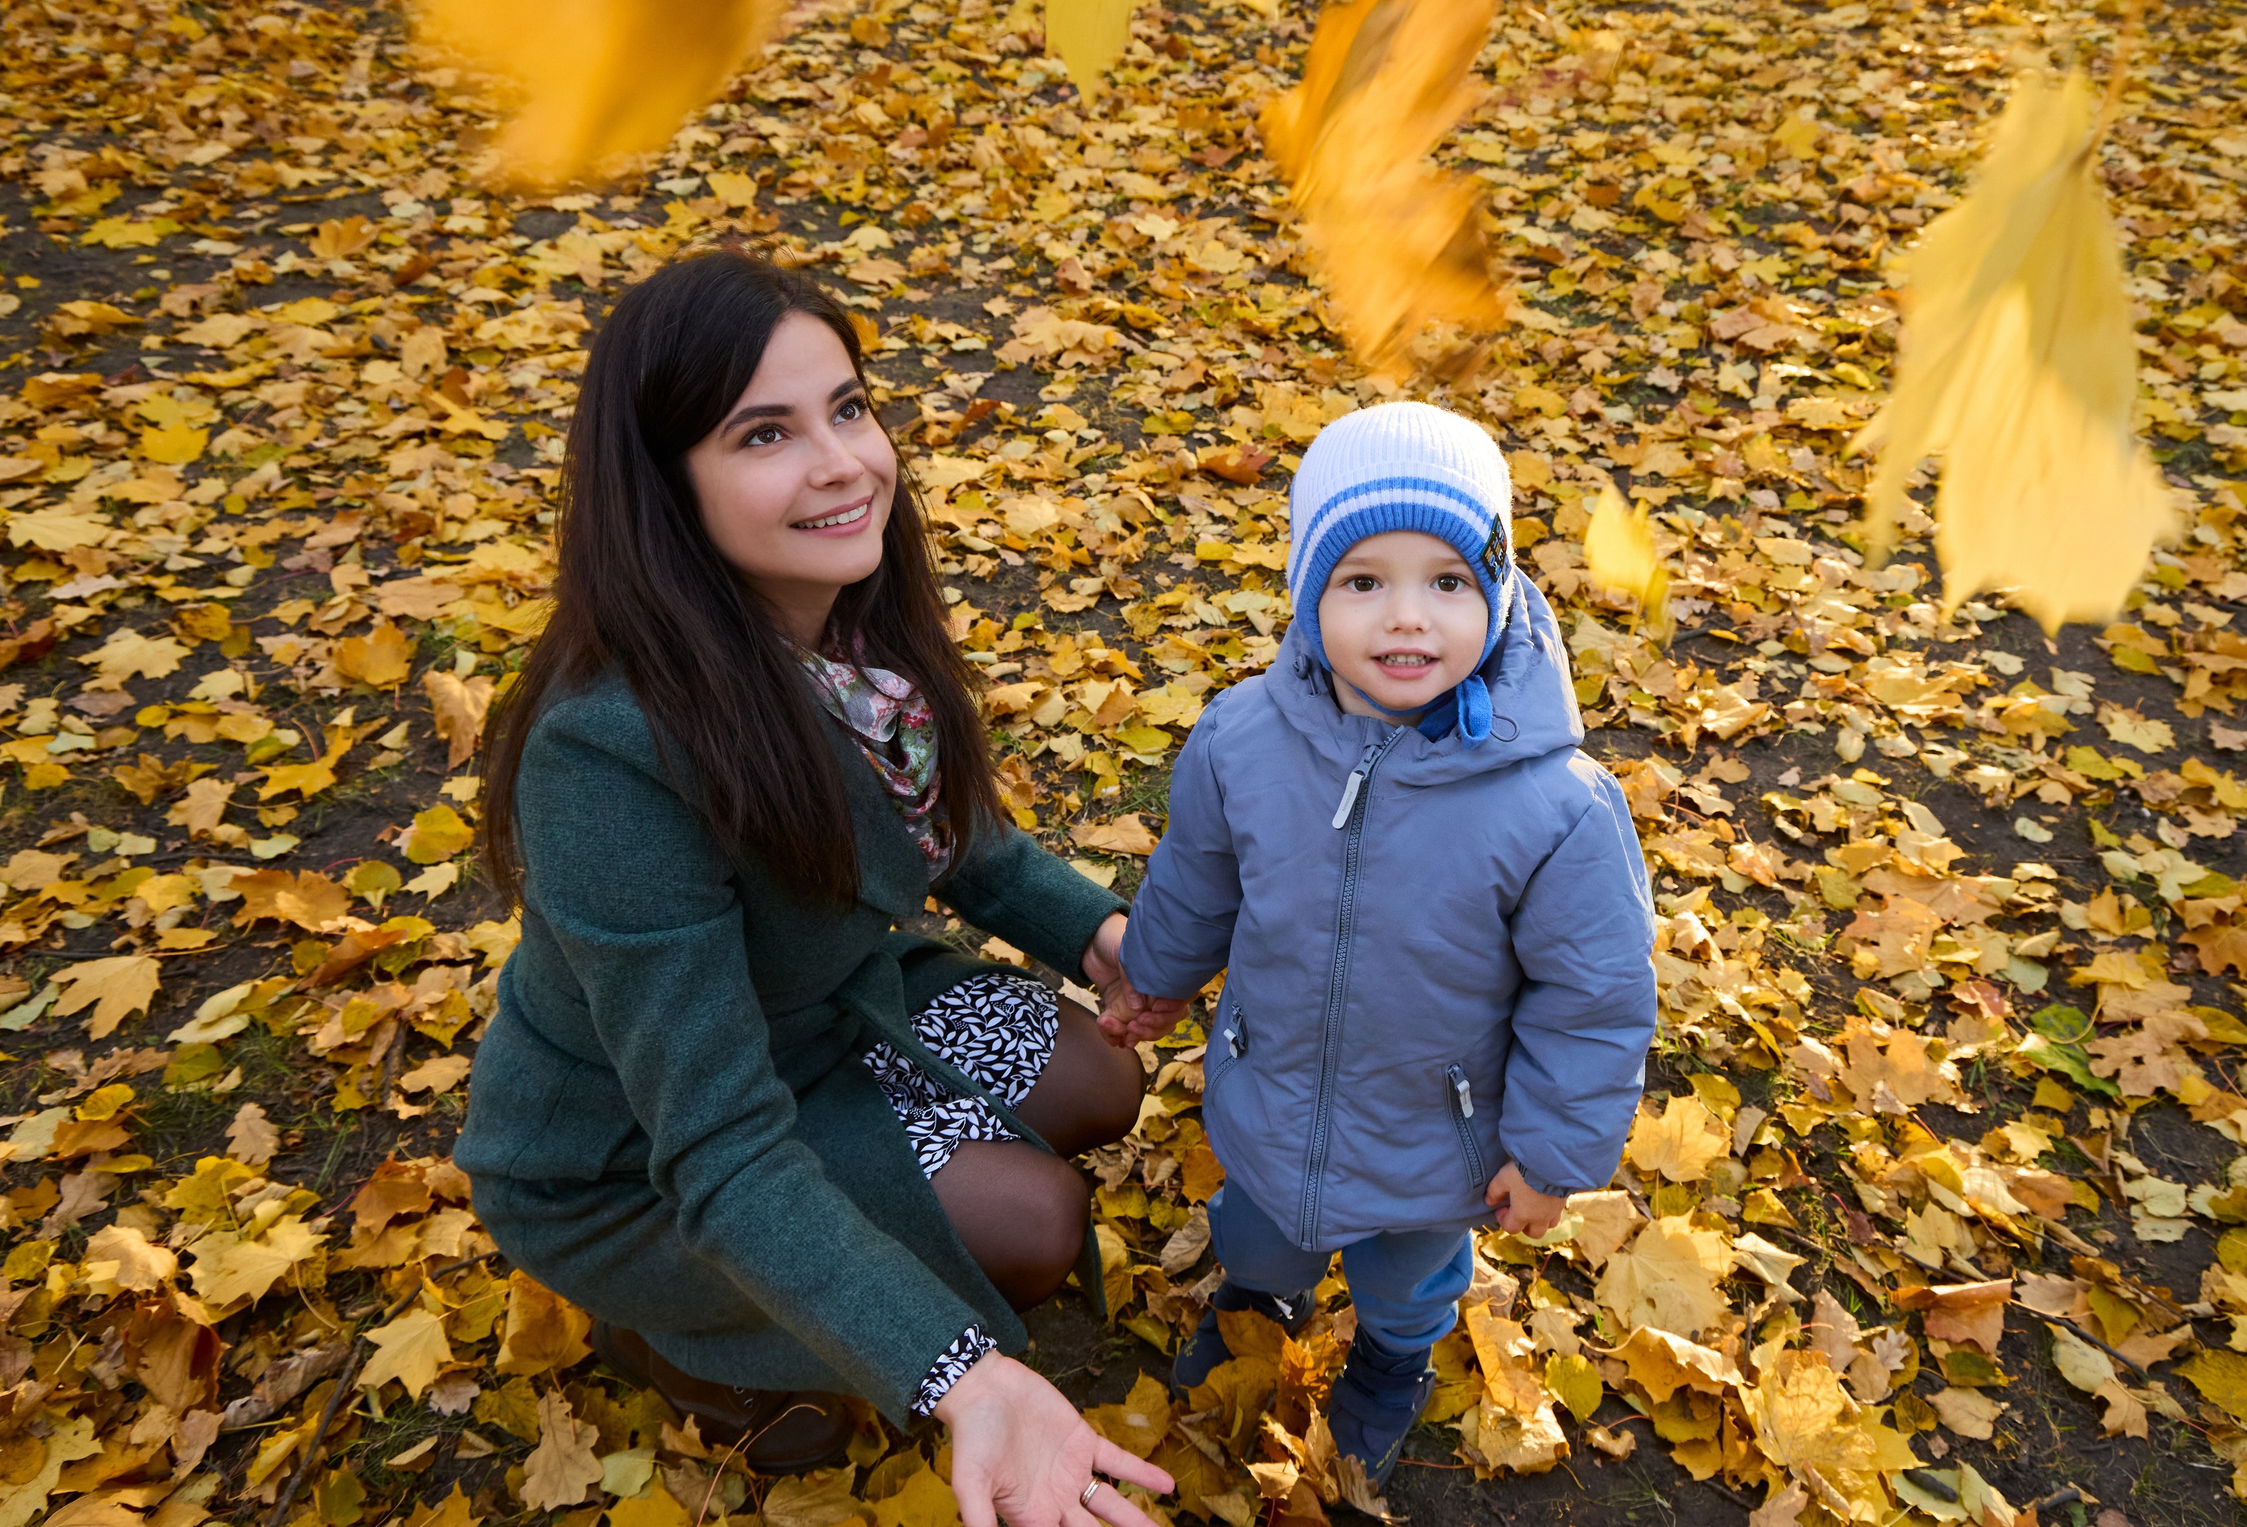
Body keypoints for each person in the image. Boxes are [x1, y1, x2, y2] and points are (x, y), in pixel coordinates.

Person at [456, 249, 1186, 1527]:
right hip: (641, 1152)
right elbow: (721, 1142)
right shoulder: (606, 752)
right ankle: (673, 1341)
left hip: (824, 1015)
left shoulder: (843, 623)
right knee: (1032, 1225)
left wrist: (1104, 936)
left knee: (1099, 1077)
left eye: (849, 407)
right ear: (667, 487)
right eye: (765, 433)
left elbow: (965, 844)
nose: (845, 462)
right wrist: (963, 1378)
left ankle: (845, 1254)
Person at [1119, 401, 1659, 1485]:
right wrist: (1155, 978)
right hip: (1270, 1096)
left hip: (1436, 1140)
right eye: (1362, 580)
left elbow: (1591, 996)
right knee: (1260, 1230)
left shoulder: (1557, 808)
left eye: (1447, 581)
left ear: (1496, 594)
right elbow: (1196, 875)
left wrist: (1550, 1156)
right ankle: (1256, 1303)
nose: (1406, 618)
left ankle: (1392, 1362)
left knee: (1408, 1278)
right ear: (1307, 594)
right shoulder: (1241, 740)